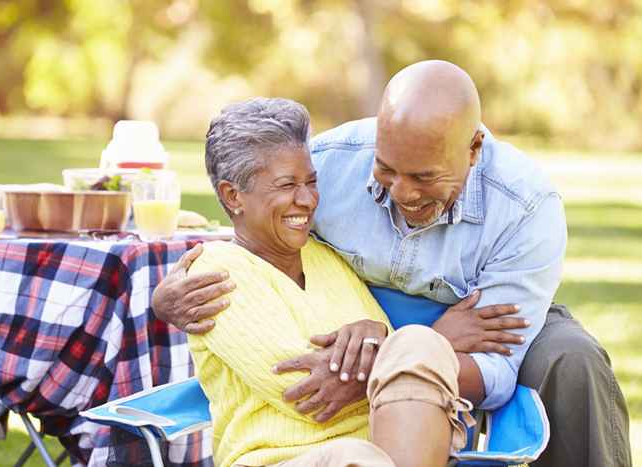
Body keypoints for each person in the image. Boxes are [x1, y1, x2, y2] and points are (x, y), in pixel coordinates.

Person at [154, 62, 631, 467]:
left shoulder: (526, 207)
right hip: (377, 333)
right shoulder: (326, 165)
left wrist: (404, 353)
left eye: (425, 177)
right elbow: (257, 228)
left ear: (474, 149)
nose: (402, 193)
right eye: (386, 170)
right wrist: (167, 295)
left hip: (458, 333)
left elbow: (496, 367)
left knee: (573, 359)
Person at [184, 96, 509, 467]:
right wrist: (438, 337)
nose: (307, 200)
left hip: (389, 454)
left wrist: (385, 339)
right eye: (287, 184)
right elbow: (305, 393)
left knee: (417, 342)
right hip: (279, 461)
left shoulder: (327, 259)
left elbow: (399, 376)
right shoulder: (214, 275)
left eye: (311, 181)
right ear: (232, 196)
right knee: (354, 453)